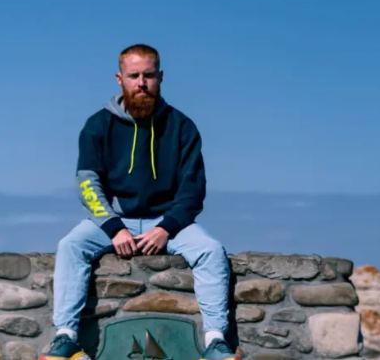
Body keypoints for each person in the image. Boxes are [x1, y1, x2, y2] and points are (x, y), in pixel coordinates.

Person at [40, 44, 239, 360]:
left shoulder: (182, 127)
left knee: (210, 250)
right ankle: (66, 337)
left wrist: (167, 229)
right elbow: (88, 186)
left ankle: (215, 342)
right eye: (134, 76)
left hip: (169, 222)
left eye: (149, 75)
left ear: (160, 77)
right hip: (116, 220)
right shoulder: (98, 124)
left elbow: (193, 189)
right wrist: (114, 228)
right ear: (120, 79)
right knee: (71, 246)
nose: (142, 83)